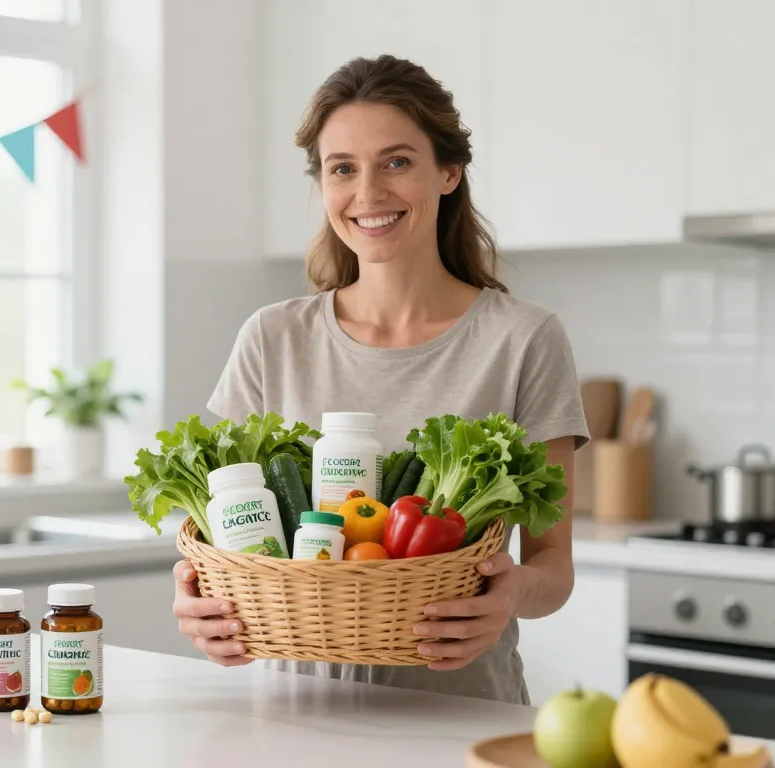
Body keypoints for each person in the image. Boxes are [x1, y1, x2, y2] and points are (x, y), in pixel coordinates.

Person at [171, 54, 589, 705]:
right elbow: (221, 538)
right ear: (323, 183)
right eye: (343, 168)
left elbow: (553, 567)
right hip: (289, 719)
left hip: (459, 713)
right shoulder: (272, 338)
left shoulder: (523, 340)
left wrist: (507, 598)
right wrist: (194, 596)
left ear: (449, 172)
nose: (368, 193)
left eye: (396, 161)